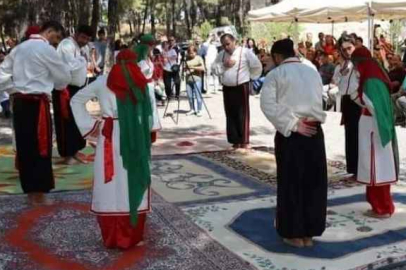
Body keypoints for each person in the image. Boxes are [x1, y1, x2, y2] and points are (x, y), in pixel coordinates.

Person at [70, 48, 152, 249]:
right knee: (132, 179)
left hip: (110, 136)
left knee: (111, 183)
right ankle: (134, 236)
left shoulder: (102, 81)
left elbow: (76, 100)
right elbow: (151, 114)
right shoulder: (141, 82)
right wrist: (148, 132)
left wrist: (91, 127)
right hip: (135, 138)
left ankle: (111, 237)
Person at [260, 39, 327, 248]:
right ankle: (310, 232)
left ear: (278, 56)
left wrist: (293, 123)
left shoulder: (275, 75)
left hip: (291, 133)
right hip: (314, 130)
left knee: (291, 182)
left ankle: (293, 232)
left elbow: (267, 105)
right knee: (313, 182)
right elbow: (321, 99)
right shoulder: (312, 71)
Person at [0, 21, 71, 198]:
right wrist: (56, 83)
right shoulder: (46, 50)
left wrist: (13, 88)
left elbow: (1, 74)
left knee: (24, 143)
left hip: (19, 102)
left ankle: (28, 185)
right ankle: (40, 185)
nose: (56, 42)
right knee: (40, 144)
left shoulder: (18, 48)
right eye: (57, 37)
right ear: (50, 31)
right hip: (38, 103)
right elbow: (63, 77)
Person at [350, 46, 398, 218]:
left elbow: (372, 105)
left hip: (374, 128)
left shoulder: (370, 80)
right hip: (374, 126)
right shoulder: (375, 74)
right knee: (377, 167)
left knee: (375, 167)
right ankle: (379, 205)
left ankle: (382, 207)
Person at [212, 33, 262, 150]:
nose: (226, 47)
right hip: (227, 87)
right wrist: (224, 65)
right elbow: (214, 68)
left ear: (234, 41)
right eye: (224, 45)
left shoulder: (245, 52)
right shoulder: (221, 55)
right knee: (230, 114)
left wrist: (251, 77)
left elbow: (256, 65)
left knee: (242, 114)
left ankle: (244, 140)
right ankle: (234, 140)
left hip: (241, 86)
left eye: (228, 44)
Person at [52, 24, 91, 165]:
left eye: (87, 39)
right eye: (83, 37)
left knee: (76, 121)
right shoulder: (66, 45)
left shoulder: (83, 48)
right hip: (65, 89)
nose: (84, 41)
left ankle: (74, 151)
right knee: (65, 121)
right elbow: (68, 65)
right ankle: (67, 155)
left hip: (78, 89)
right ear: (76, 34)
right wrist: (82, 61)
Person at [336, 35, 362, 178]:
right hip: (347, 101)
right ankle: (353, 168)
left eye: (349, 48)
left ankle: (361, 169)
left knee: (359, 135)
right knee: (350, 134)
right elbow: (338, 81)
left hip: (358, 101)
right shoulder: (343, 65)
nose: (347, 52)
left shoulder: (360, 63)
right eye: (344, 49)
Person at [133, 34, 162, 142]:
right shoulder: (140, 61)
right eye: (151, 46)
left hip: (149, 87)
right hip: (143, 88)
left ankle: (149, 133)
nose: (153, 48)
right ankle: (143, 134)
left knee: (151, 110)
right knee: (145, 110)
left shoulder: (147, 58)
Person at [185, 45, 205, 116]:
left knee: (198, 95)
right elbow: (185, 68)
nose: (191, 55)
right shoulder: (186, 58)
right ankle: (192, 109)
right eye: (189, 53)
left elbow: (203, 68)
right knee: (190, 96)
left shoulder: (198, 58)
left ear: (195, 52)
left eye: (192, 53)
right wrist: (186, 70)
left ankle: (199, 110)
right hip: (188, 79)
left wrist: (194, 68)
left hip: (197, 79)